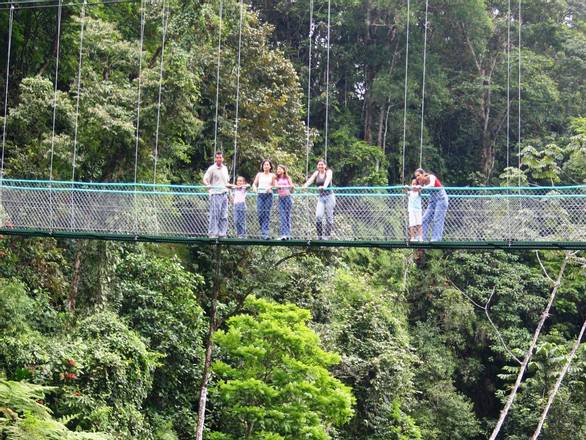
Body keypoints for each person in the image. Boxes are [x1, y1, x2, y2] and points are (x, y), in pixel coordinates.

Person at [303, 159, 335, 240]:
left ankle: (326, 236)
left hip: (329, 197)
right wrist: (305, 186)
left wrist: (324, 186)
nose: (320, 166)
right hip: (321, 197)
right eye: (319, 165)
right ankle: (319, 236)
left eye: (322, 165)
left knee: (329, 217)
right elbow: (310, 180)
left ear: (325, 166)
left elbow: (328, 179)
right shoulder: (316, 173)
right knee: (318, 216)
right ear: (317, 166)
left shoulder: (329, 172)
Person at [415, 168, 449, 241]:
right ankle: (421, 237)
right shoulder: (422, 184)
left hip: (441, 199)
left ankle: (436, 238)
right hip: (433, 201)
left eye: (418, 175)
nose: (417, 178)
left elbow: (432, 185)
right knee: (424, 219)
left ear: (423, 174)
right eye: (416, 176)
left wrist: (421, 188)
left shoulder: (431, 177)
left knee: (437, 218)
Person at [203, 151, 230, 238]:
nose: (219, 159)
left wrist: (231, 193)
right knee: (214, 214)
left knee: (224, 215)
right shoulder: (212, 168)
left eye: (220, 157)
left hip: (224, 194)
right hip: (215, 194)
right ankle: (213, 233)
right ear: (215, 159)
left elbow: (227, 182)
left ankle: (222, 233)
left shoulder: (225, 168)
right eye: (217, 157)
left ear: (222, 158)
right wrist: (208, 185)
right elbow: (205, 179)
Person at [252, 159, 275, 239]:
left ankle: (265, 234)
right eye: (265, 164)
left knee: (267, 214)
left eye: (268, 165)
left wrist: (270, 187)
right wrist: (254, 188)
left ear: (270, 166)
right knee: (260, 213)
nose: (266, 166)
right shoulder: (259, 174)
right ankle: (263, 231)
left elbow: (274, 185)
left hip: (268, 195)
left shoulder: (272, 175)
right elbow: (254, 184)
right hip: (260, 195)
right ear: (262, 166)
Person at [274, 165, 294, 240]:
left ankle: (288, 234)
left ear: (284, 170)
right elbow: (276, 186)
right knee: (282, 216)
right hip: (281, 198)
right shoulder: (276, 178)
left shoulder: (288, 178)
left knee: (287, 216)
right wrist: (279, 186)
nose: (278, 170)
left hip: (288, 197)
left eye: (280, 169)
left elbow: (291, 186)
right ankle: (283, 235)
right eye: (277, 169)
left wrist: (290, 187)